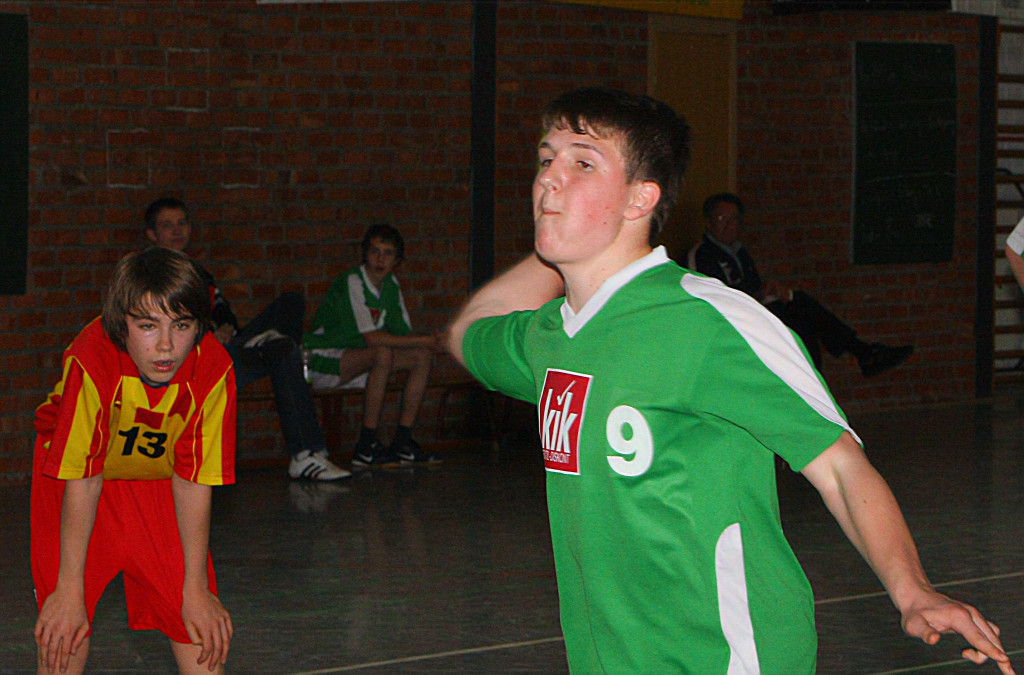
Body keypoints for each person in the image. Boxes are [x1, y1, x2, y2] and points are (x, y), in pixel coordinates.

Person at [447, 86, 1014, 674]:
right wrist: (557, 243)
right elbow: (468, 331)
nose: (549, 179)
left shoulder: (711, 321)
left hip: (726, 657)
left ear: (641, 197)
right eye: (546, 160)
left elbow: (840, 467)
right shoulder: (547, 337)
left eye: (582, 163)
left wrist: (912, 590)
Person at [31, 247, 235, 674]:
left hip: (157, 481)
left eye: (182, 325)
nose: (166, 345)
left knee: (200, 628)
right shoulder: (92, 358)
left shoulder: (213, 369)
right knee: (64, 633)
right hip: (75, 484)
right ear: (120, 324)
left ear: (199, 326)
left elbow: (193, 480)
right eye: (147, 326)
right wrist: (68, 590)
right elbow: (84, 478)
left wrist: (196, 587)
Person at [144, 198, 349, 482]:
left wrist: (226, 326)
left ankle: (307, 454)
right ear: (152, 234)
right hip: (201, 362)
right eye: (167, 226)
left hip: (229, 348)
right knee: (283, 352)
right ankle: (305, 453)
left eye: (182, 223)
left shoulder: (198, 273)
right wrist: (207, 334)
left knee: (290, 307)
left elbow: (222, 308)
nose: (177, 231)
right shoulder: (151, 275)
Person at [687, 192, 914, 376]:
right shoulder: (703, 254)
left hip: (759, 311)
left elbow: (753, 285)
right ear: (708, 222)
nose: (729, 225)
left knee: (804, 324)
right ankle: (862, 352)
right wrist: (758, 297)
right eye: (722, 219)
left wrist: (768, 291)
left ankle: (837, 369)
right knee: (801, 306)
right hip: (735, 322)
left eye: (735, 219)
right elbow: (714, 298)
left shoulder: (740, 253)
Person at [304, 224, 444, 468]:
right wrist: (426, 340)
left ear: (397, 260)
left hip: (357, 360)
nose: (380, 259)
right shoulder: (353, 281)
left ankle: (403, 441)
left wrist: (436, 342)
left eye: (388, 253)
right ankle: (366, 445)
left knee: (421, 356)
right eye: (375, 252)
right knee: (382, 353)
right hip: (321, 359)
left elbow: (402, 335)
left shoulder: (391, 285)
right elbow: (372, 338)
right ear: (365, 254)